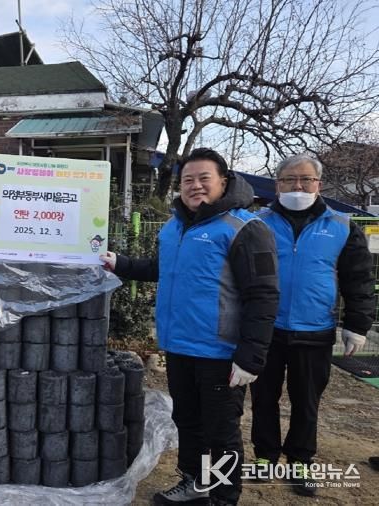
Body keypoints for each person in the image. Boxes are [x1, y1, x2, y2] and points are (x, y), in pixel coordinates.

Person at [101, 148, 279, 505]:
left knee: (221, 432)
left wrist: (250, 357)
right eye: (187, 180)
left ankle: (224, 498)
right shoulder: (175, 227)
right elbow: (161, 268)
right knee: (188, 421)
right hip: (179, 346)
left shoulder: (244, 228)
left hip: (220, 352)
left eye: (203, 178)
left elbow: (263, 295)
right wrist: (119, 263)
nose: (195, 186)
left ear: (223, 182)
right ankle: (196, 485)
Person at [249, 154, 375, 496]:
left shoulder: (342, 226)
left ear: (319, 183)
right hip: (266, 330)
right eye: (289, 180)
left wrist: (357, 324)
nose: (298, 186)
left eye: (306, 179)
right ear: (277, 185)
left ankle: (301, 460)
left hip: (315, 330)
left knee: (306, 401)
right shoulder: (257, 223)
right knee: (263, 398)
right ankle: (265, 456)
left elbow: (359, 278)